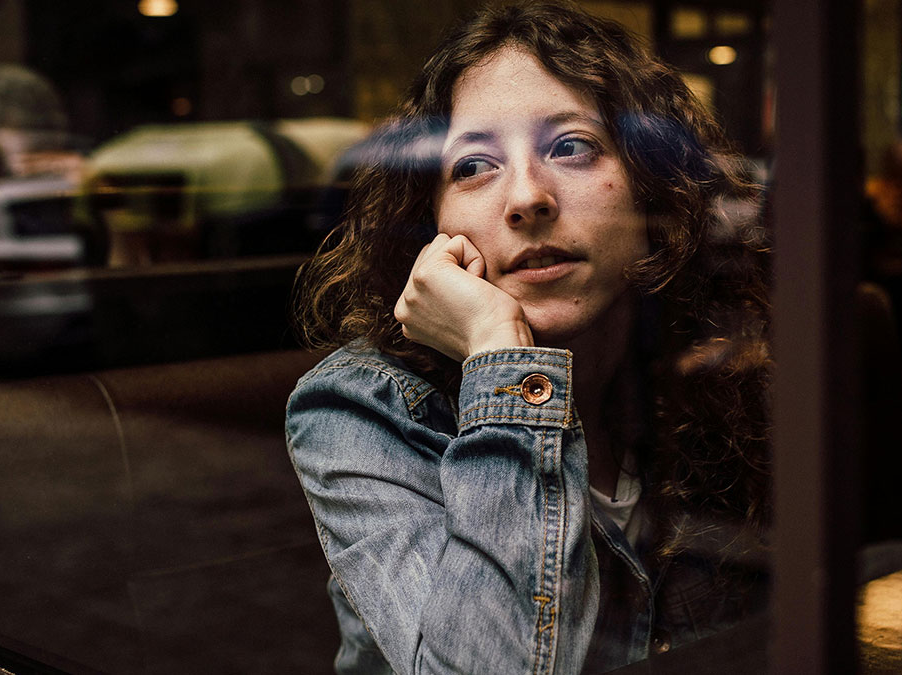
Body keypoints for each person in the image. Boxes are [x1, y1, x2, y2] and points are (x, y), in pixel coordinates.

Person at [286, 3, 771, 672]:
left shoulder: (706, 366)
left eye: (571, 146)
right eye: (474, 165)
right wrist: (499, 356)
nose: (526, 198)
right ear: (434, 221)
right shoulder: (360, 406)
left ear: (653, 191)